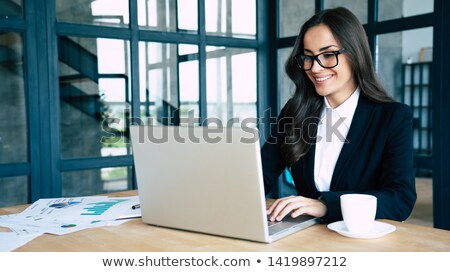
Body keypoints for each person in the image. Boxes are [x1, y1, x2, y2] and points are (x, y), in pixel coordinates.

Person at [262, 7, 416, 224]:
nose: (315, 68)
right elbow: (260, 175)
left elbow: (400, 199)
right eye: (308, 57)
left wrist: (326, 205)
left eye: (327, 55)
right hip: (305, 236)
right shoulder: (295, 112)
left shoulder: (392, 117)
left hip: (361, 241)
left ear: (355, 54)